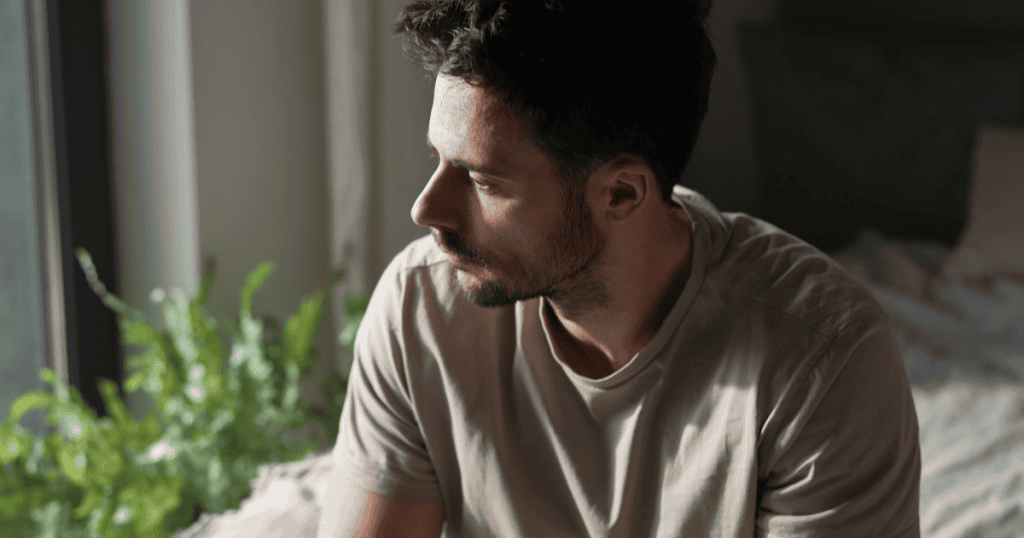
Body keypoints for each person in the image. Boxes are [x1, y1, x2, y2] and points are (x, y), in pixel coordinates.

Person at [318, 1, 921, 536]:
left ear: (623, 194)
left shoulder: (821, 358)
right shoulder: (420, 305)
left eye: (482, 180)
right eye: (437, 159)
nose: (428, 209)